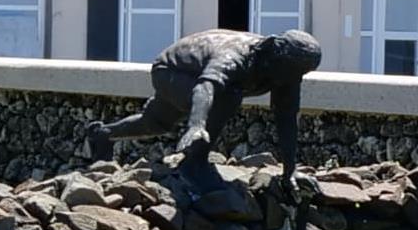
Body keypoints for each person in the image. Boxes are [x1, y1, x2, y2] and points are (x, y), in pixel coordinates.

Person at [100, 26, 321, 175]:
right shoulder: (237, 55)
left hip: (192, 74)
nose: (295, 77)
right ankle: (194, 162)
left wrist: (290, 171)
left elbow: (286, 119)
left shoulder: (287, 74)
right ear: (277, 53)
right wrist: (197, 125)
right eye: (293, 70)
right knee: (227, 97)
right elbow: (206, 86)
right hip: (170, 70)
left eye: (302, 72)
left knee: (156, 123)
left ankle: (103, 134)